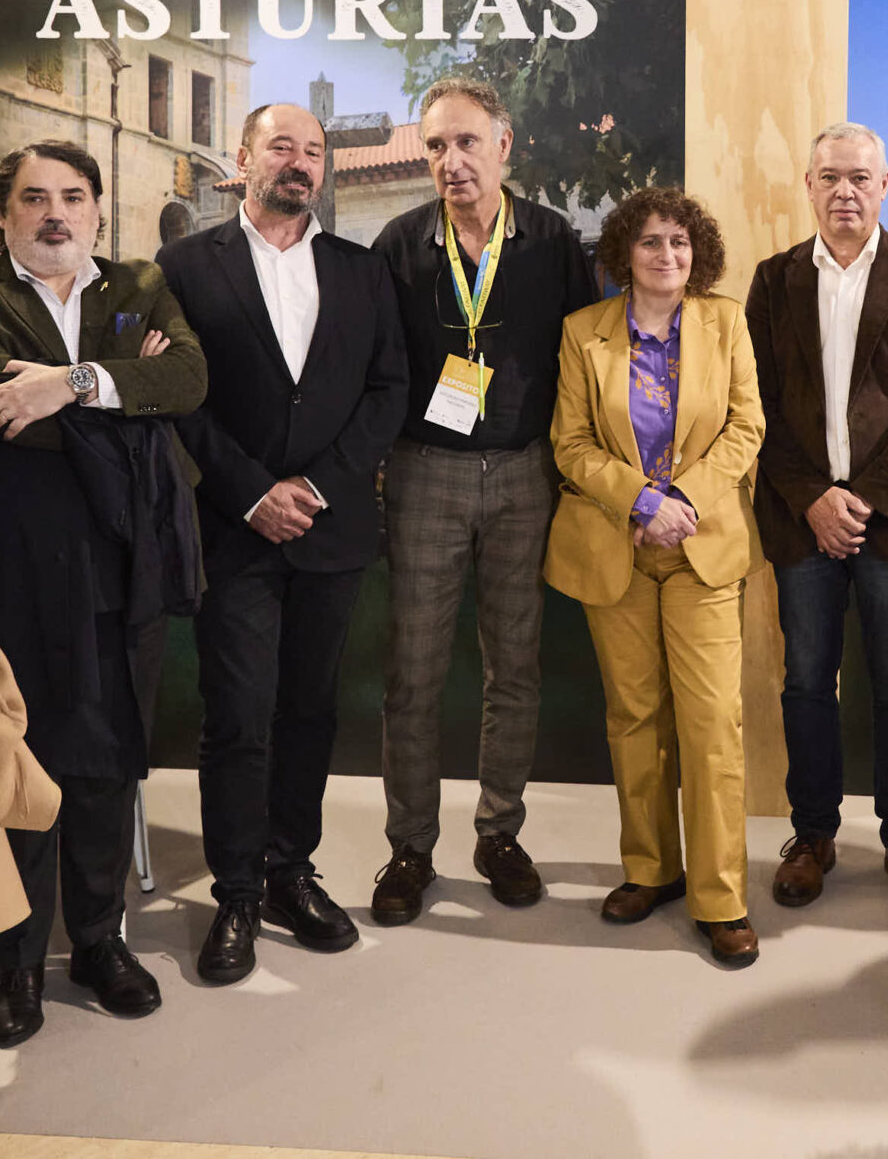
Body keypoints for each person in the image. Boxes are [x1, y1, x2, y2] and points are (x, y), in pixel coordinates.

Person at [0, 140, 206, 1048]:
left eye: (73, 197)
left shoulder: (139, 283)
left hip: (127, 564)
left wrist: (68, 383)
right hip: (15, 566)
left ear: (97, 208)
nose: (56, 214)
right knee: (22, 759)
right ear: (2, 213)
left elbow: (187, 380)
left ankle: (97, 940)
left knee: (108, 761)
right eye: (35, 198)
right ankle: (16, 961)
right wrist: (122, 395)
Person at [160, 105, 407, 984]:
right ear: (244, 157)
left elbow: (388, 390)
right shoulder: (185, 267)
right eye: (281, 147)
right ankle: (234, 891)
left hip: (331, 533)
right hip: (235, 531)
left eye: (313, 150)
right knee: (237, 714)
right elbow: (180, 395)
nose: (299, 162)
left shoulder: (360, 269)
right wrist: (253, 492)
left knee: (309, 710)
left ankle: (288, 871)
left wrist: (321, 485)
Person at [367, 74, 597, 923]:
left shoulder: (552, 240)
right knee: (414, 672)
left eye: (467, 141)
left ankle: (499, 831)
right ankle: (410, 846)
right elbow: (377, 366)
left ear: (504, 144)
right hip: (424, 470)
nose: (451, 160)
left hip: (525, 473)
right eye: (436, 145)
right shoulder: (398, 244)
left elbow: (584, 358)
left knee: (515, 666)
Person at [744, 122, 888, 912]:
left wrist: (864, 497)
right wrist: (812, 496)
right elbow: (756, 402)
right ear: (808, 185)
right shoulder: (773, 280)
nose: (845, 190)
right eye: (831, 176)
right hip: (802, 518)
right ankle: (812, 834)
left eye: (860, 177)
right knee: (807, 682)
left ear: (884, 185)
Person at [545, 187, 766, 966]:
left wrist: (682, 502)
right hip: (617, 545)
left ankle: (721, 896)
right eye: (649, 241)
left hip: (703, 546)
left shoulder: (725, 322)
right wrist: (641, 499)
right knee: (634, 716)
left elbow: (746, 427)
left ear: (696, 252)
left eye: (679, 241)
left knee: (711, 723)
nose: (666, 254)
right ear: (623, 253)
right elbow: (571, 443)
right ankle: (650, 868)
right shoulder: (584, 332)